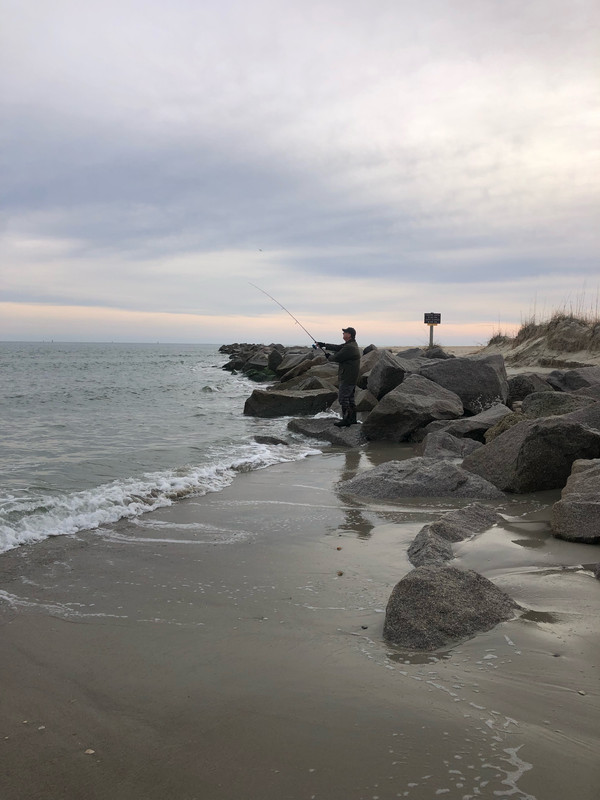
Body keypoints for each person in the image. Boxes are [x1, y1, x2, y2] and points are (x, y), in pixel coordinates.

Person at [316, 327, 360, 427]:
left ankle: (346, 420)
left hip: (347, 377)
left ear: (349, 335)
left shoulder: (350, 347)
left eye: (344, 333)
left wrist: (328, 356)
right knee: (350, 399)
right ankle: (352, 419)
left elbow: (336, 357)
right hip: (351, 377)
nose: (343, 334)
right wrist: (324, 345)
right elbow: (338, 347)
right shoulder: (351, 344)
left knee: (343, 399)